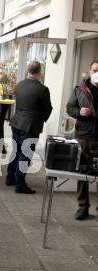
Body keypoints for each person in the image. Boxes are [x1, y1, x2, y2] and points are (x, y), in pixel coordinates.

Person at [7, 61, 52, 194]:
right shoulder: (42, 89)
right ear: (39, 72)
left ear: (28, 71)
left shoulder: (19, 85)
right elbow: (47, 109)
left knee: (16, 151)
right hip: (30, 126)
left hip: (16, 122)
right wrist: (40, 119)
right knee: (25, 154)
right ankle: (20, 184)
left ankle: (10, 178)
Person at [66, 60, 98, 220]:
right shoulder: (80, 89)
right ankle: (83, 206)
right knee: (82, 172)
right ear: (90, 71)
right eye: (94, 70)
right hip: (84, 136)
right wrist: (79, 112)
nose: (96, 74)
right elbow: (69, 108)